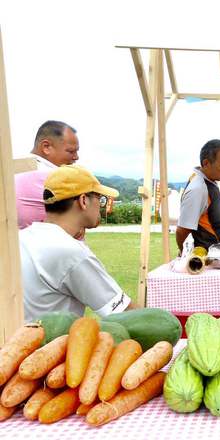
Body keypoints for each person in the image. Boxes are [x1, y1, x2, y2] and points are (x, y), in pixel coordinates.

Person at [19, 165, 135, 323]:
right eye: (100, 199)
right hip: (52, 345)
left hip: (17, 342)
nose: (100, 207)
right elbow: (125, 314)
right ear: (83, 200)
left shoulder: (23, 237)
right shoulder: (71, 252)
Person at [15, 120, 80, 229]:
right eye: (71, 151)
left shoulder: (14, 169)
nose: (76, 157)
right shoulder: (55, 176)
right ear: (46, 147)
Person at [176, 139, 220, 252]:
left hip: (219, 254)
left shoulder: (209, 181)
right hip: (207, 257)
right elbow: (182, 230)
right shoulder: (197, 188)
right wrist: (182, 252)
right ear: (206, 163)